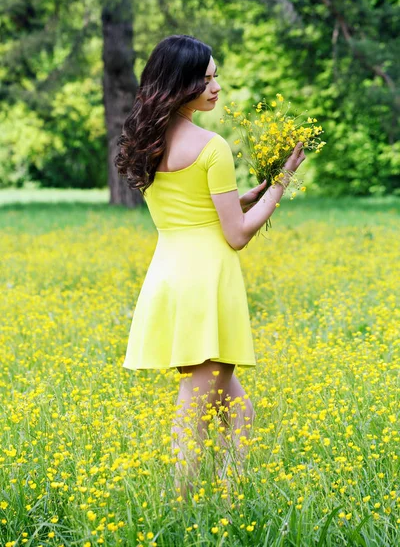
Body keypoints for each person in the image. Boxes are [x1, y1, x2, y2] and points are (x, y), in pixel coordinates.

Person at [114, 34, 306, 501]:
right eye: (205, 78)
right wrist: (281, 182)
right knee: (195, 405)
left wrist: (247, 196)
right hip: (206, 280)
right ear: (181, 84)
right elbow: (236, 234)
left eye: (216, 76)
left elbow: (191, 210)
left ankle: (229, 497)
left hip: (169, 276)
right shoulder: (211, 145)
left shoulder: (148, 140)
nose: (215, 87)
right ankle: (177, 504)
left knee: (238, 410)